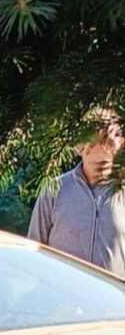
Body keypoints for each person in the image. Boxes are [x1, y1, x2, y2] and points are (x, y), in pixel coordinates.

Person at [28, 112, 125, 274]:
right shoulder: (54, 189)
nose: (100, 148)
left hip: (110, 290)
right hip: (58, 288)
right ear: (79, 145)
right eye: (92, 140)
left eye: (107, 140)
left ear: (121, 143)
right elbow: (34, 249)